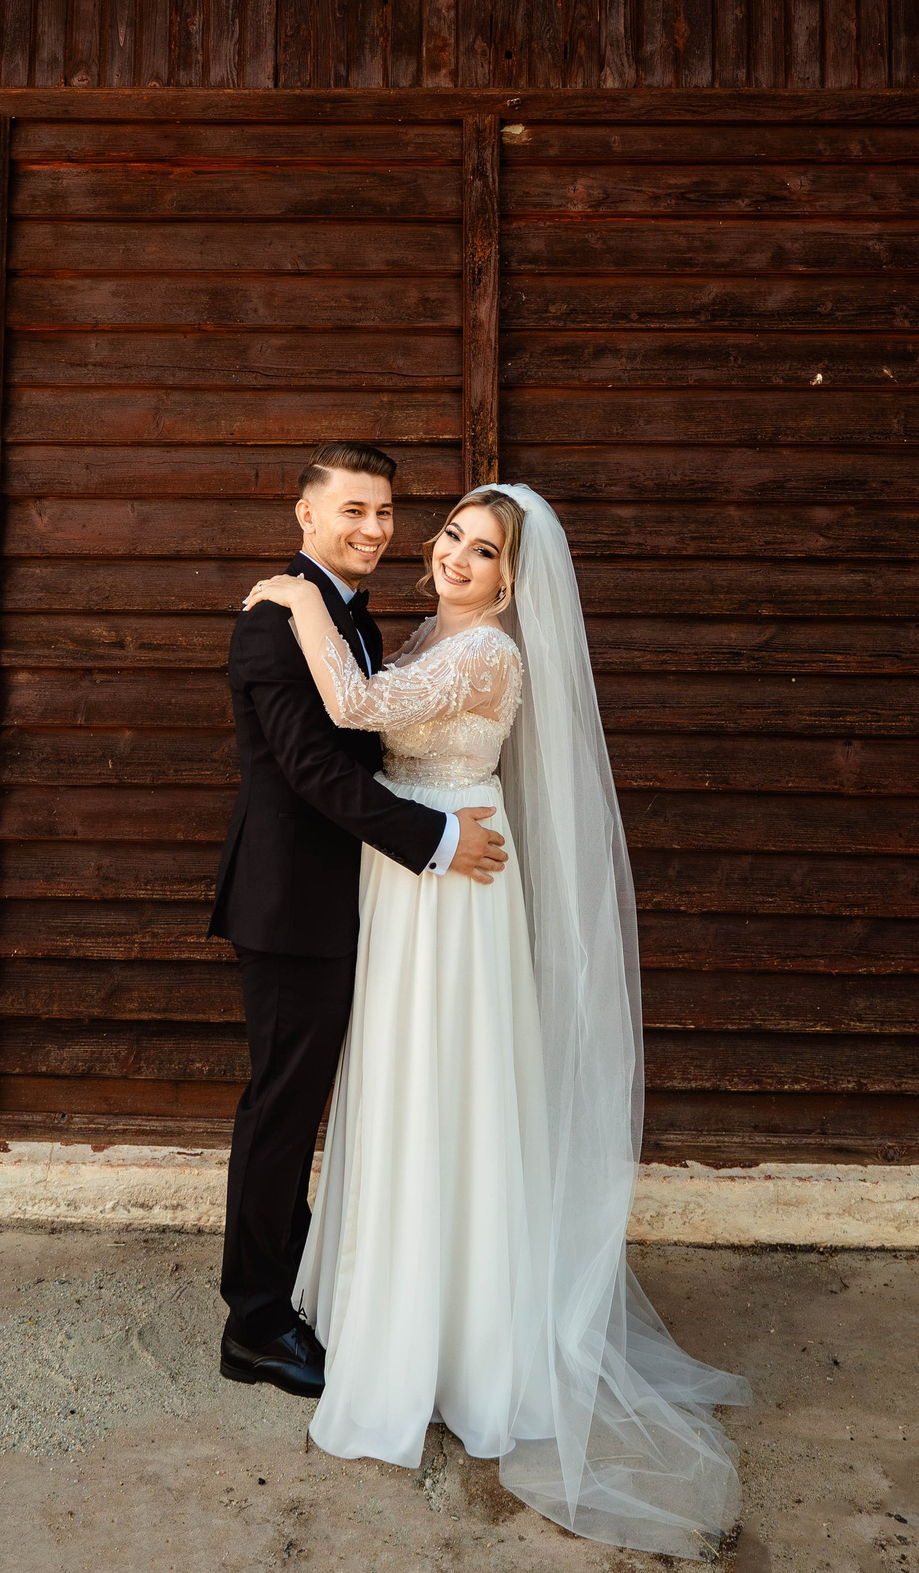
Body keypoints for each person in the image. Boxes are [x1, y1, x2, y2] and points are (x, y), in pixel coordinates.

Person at [239, 482, 751, 1560]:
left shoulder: (489, 653)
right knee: (397, 1086)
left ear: (517, 579)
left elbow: (359, 712)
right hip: (407, 875)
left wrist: (293, 603)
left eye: (485, 552)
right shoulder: (428, 628)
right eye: (453, 539)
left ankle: (455, 1337)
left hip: (452, 878)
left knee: (447, 1090)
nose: (457, 559)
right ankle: (383, 1305)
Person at [208, 442, 507, 1400]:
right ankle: (253, 1324)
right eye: (353, 510)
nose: (374, 529)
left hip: (362, 902)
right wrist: (436, 837)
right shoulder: (274, 624)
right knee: (282, 1113)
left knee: (335, 1108)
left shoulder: (361, 623)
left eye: (385, 512)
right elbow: (319, 774)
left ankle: (310, 1285)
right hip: (291, 902)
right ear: (306, 514)